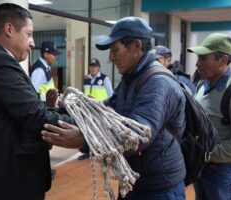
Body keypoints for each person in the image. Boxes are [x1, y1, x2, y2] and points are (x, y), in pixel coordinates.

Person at [42, 16, 187, 200]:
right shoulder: (131, 78)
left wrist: (84, 139)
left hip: (159, 188)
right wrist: (59, 113)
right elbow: (106, 111)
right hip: (135, 180)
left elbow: (137, 135)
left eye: (115, 50)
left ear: (136, 46)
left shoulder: (158, 83)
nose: (110, 58)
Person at [0, 3, 84, 200]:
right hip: (6, 183)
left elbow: (24, 110)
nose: (32, 43)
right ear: (9, 29)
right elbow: (35, 115)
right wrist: (89, 126)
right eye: (29, 34)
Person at [187, 33, 231, 200]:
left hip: (223, 174)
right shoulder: (203, 85)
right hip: (201, 169)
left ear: (222, 60)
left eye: (203, 58)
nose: (197, 63)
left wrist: (210, 154)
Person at [78, 58, 113, 160]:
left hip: (100, 109)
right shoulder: (86, 78)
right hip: (88, 109)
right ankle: (87, 151)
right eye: (91, 66)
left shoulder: (104, 79)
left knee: (101, 131)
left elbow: (110, 95)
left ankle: (103, 151)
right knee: (87, 130)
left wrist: (106, 107)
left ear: (98, 68)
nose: (93, 68)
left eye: (95, 66)